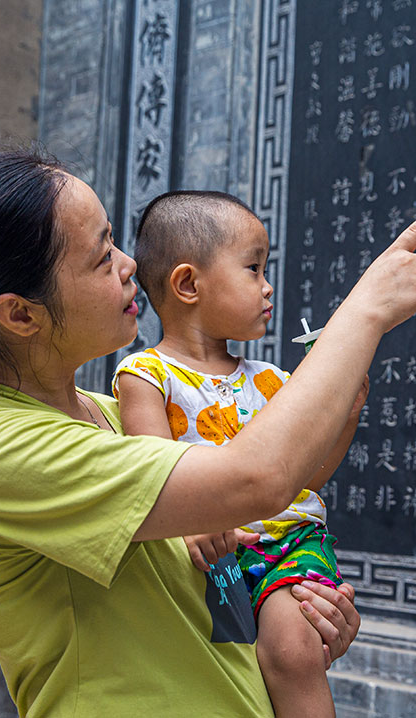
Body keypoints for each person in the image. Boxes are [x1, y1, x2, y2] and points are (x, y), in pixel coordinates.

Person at [0, 145, 416, 717]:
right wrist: (364, 311)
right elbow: (255, 479)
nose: (129, 267)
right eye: (101, 258)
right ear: (21, 314)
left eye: (115, 241)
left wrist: (299, 623)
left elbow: (208, 607)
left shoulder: (123, 416)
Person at [112, 191, 366, 718]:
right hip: (214, 554)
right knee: (224, 664)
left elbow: (307, 479)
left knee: (295, 650)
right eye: (253, 269)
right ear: (188, 284)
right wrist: (190, 524)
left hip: (290, 542)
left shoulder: (275, 381)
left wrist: (347, 414)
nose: (268, 285)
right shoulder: (146, 377)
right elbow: (154, 469)